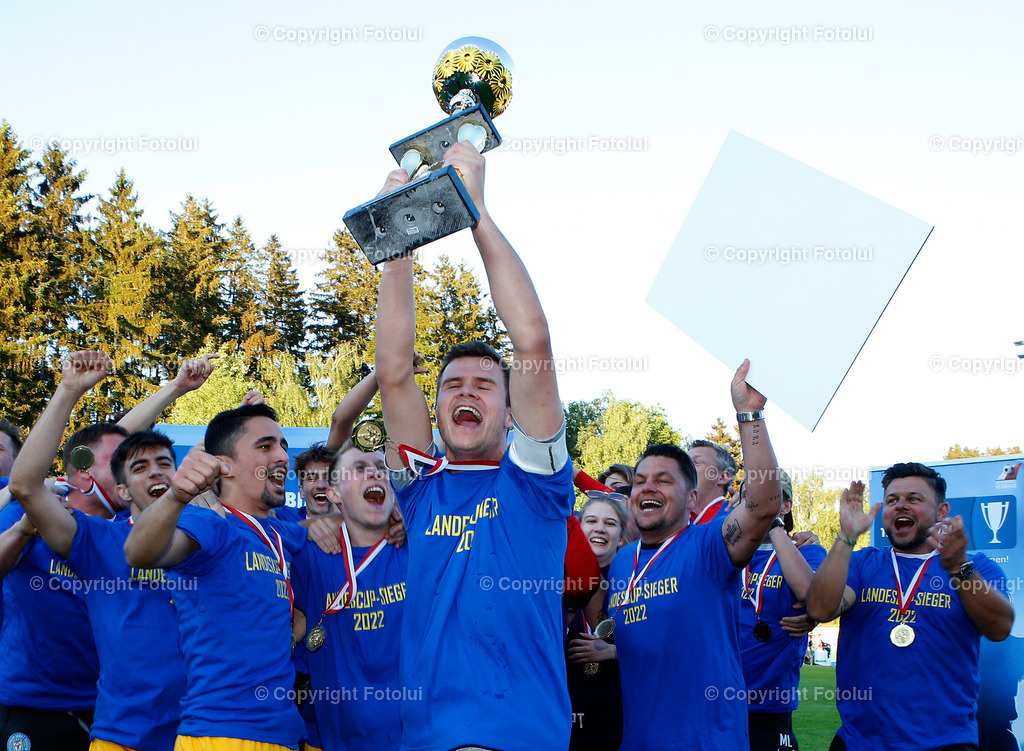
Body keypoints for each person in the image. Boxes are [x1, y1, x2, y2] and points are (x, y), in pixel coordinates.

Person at [375, 142, 573, 751]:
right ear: (436, 412)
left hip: (521, 739)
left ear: (512, 412)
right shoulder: (423, 486)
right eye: (453, 385)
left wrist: (474, 209)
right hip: (427, 741)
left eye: (485, 385)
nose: (467, 392)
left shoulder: (536, 483)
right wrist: (397, 238)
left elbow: (533, 343)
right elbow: (394, 372)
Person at [608, 362, 782, 749]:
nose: (647, 487)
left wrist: (750, 415)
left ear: (690, 499)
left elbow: (763, 504)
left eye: (664, 480)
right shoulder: (622, 563)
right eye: (640, 481)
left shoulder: (707, 546)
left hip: (708, 741)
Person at [125, 403, 306, 750]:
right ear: (223, 464)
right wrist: (178, 494)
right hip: (223, 732)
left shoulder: (281, 534)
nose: (282, 456)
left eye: (283, 445)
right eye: (265, 446)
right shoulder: (210, 523)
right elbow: (139, 552)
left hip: (280, 731)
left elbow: (329, 525)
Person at [806, 464, 1015, 751]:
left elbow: (1000, 628)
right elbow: (819, 609)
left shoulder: (976, 568)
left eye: (914, 499)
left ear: (941, 511)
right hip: (859, 742)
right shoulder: (863, 562)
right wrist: (846, 537)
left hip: (945, 743)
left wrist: (958, 568)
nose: (900, 506)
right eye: (892, 500)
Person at [292, 441, 408, 751]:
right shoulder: (307, 553)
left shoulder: (420, 546)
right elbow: (248, 534)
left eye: (382, 469)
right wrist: (306, 527)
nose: (374, 472)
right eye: (358, 469)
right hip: (334, 740)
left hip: (415, 739)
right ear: (334, 494)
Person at [739, 471, 826, 751]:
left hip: (770, 704)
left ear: (786, 505)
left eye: (769, 497)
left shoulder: (808, 552)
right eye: (748, 497)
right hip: (715, 697)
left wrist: (775, 528)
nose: (757, 504)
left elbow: (811, 595)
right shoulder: (724, 552)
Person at [566, 492, 628, 751]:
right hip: (564, 725)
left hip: (620, 724)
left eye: (610, 523)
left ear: (622, 538)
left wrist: (614, 652)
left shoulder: (638, 583)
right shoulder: (553, 580)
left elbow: (664, 646)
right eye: (591, 521)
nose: (600, 528)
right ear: (578, 528)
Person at [688, 439, 737, 525]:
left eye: (696, 462)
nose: (684, 467)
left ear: (722, 477)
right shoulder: (670, 520)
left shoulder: (735, 518)